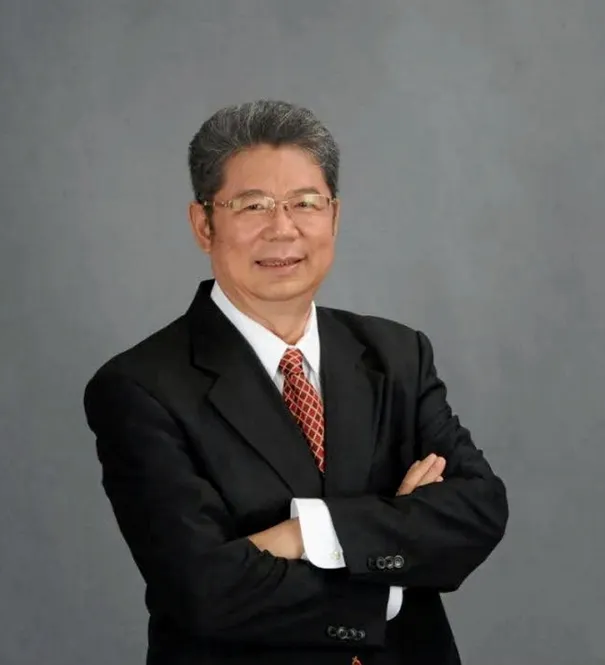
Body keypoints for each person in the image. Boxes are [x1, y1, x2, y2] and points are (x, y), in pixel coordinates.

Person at [83, 100, 509, 665]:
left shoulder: (397, 354)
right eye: (253, 205)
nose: (282, 229)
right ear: (204, 224)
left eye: (305, 203)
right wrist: (390, 552)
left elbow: (478, 509)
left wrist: (302, 534)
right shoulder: (139, 388)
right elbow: (203, 588)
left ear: (334, 216)